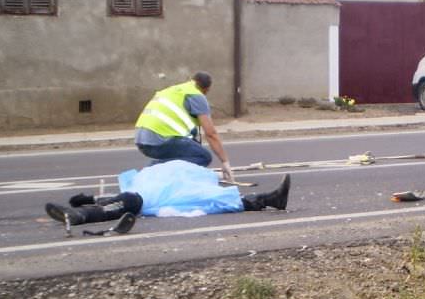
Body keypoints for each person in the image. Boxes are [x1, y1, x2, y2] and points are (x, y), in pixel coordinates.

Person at [45, 170, 291, 226]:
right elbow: (114, 201)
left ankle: (270, 199)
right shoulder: (128, 197)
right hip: (149, 199)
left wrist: (90, 198)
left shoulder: (128, 195)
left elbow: (112, 200)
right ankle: (80, 216)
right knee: (130, 201)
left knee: (210, 197)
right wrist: (89, 200)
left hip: (153, 195)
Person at [135, 71, 234, 182]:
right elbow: (211, 134)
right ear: (206, 89)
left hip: (142, 139)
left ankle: (168, 178)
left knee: (192, 146)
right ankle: (152, 170)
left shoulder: (174, 90)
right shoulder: (196, 95)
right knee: (202, 157)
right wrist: (225, 162)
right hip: (160, 139)